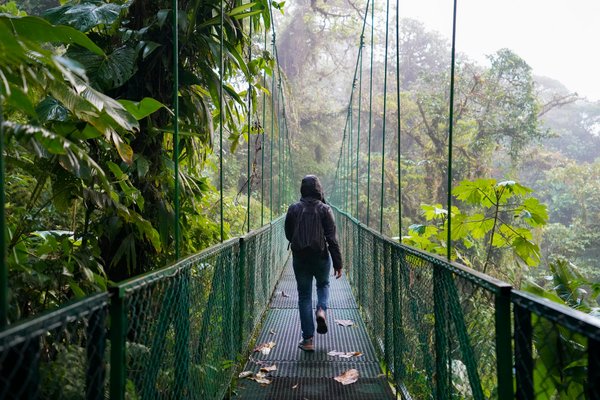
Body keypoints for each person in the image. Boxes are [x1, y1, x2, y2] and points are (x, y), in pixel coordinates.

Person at [284, 175, 343, 352]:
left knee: (304, 296)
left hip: (300, 257)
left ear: (303, 189)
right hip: (321, 257)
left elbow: (288, 233)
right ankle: (321, 310)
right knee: (324, 285)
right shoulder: (325, 209)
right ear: (319, 189)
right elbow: (332, 239)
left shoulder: (293, 208)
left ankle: (308, 340)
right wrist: (338, 263)